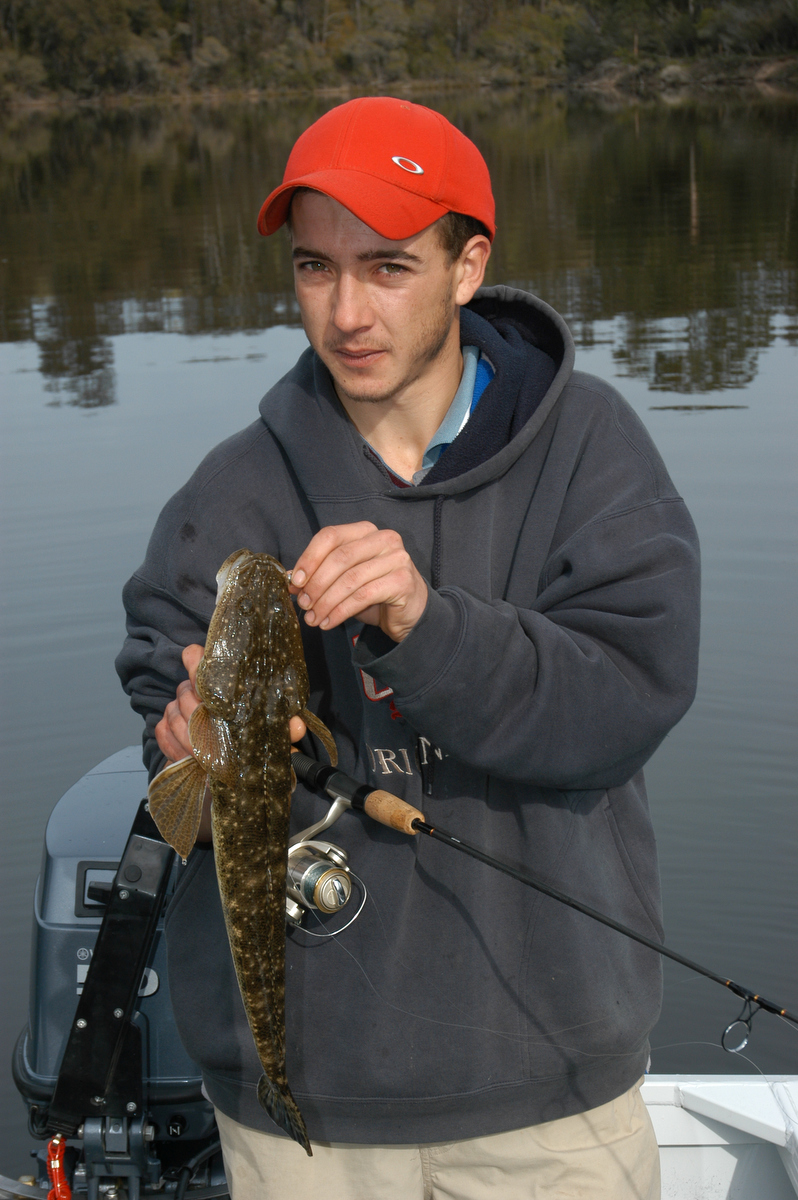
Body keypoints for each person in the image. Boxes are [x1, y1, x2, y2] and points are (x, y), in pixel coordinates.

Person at [116, 96, 700, 1199]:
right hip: (300, 1113)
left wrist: (428, 626)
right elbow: (162, 682)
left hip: (550, 1084)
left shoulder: (594, 454)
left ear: (467, 266)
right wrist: (179, 734)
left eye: (387, 266)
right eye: (314, 269)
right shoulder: (231, 489)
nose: (345, 312)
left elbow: (625, 700)